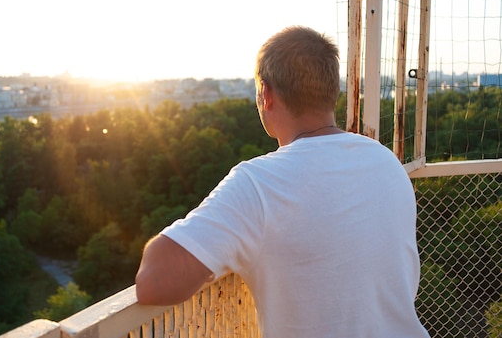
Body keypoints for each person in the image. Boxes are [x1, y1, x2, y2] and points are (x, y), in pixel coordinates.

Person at [135, 26, 430, 338]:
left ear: (266, 93)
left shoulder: (258, 184)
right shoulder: (386, 163)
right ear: (332, 92)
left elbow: (154, 281)